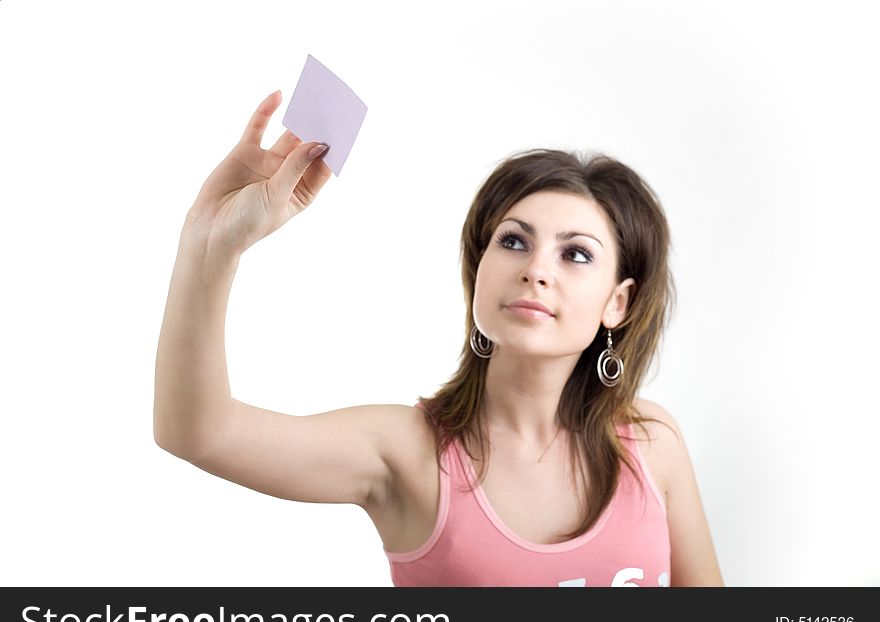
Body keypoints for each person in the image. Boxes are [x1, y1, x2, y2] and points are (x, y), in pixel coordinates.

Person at [154, 90, 724, 587]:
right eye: (513, 242)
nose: (536, 270)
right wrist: (211, 244)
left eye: (575, 253)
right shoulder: (409, 452)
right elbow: (198, 431)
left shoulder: (652, 444)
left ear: (617, 303)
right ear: (480, 269)